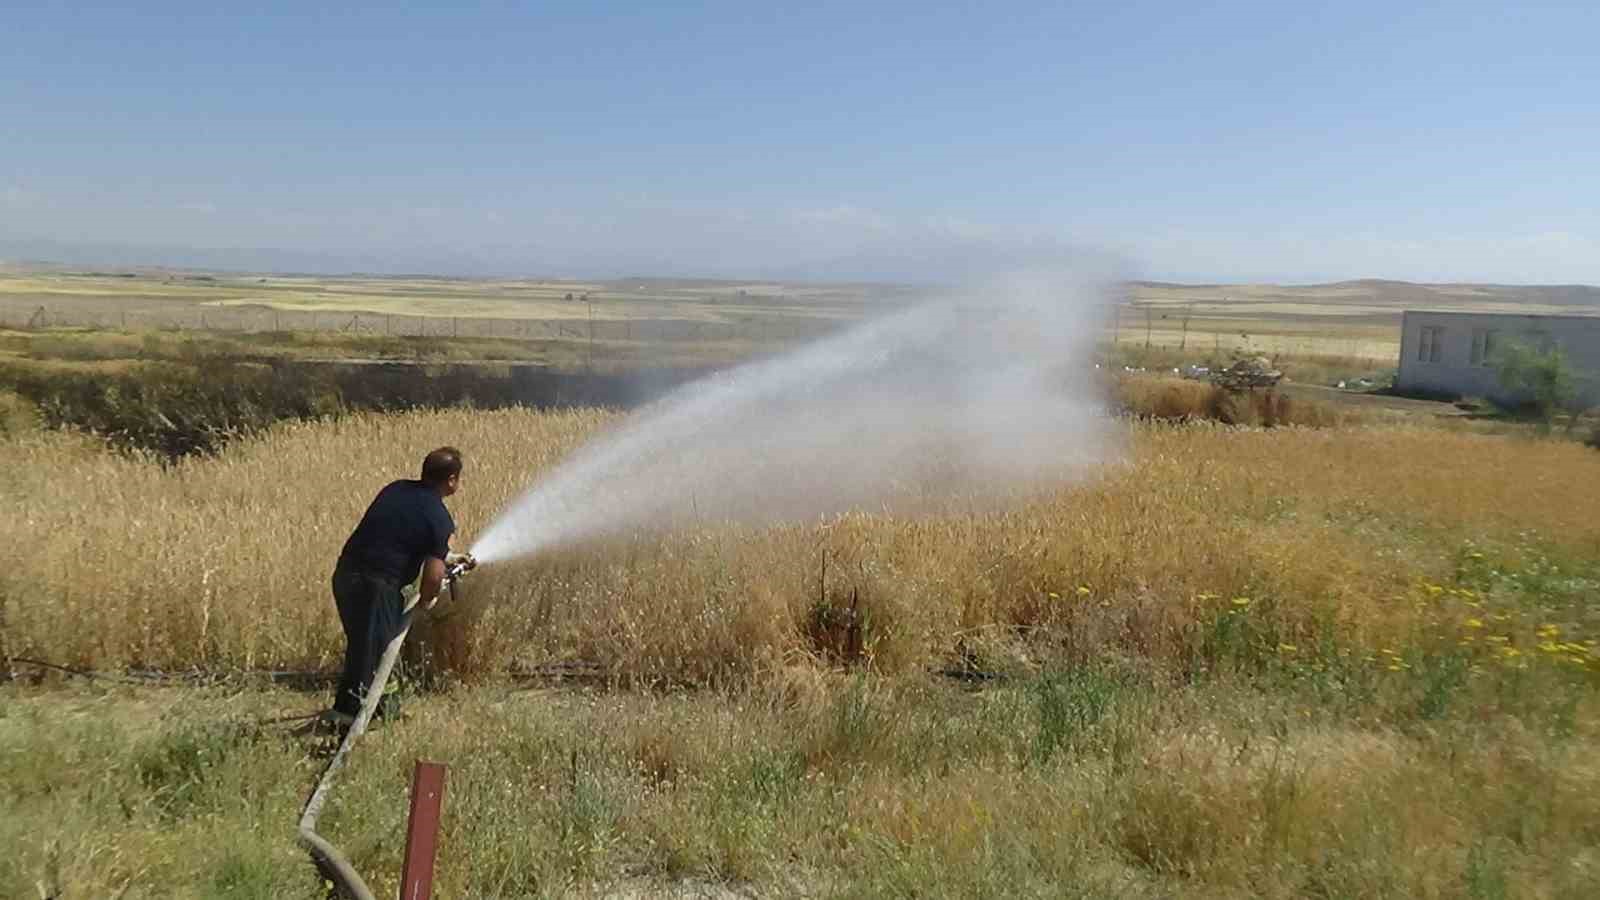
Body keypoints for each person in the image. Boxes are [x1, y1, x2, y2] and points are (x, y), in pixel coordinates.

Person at [325, 446, 464, 727]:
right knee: (372, 652)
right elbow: (434, 577)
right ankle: (347, 719)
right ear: (451, 480)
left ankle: (383, 710)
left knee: (369, 647)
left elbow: (398, 534)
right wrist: (428, 599)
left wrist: (448, 556)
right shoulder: (439, 517)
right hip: (375, 587)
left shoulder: (396, 489)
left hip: (346, 576)